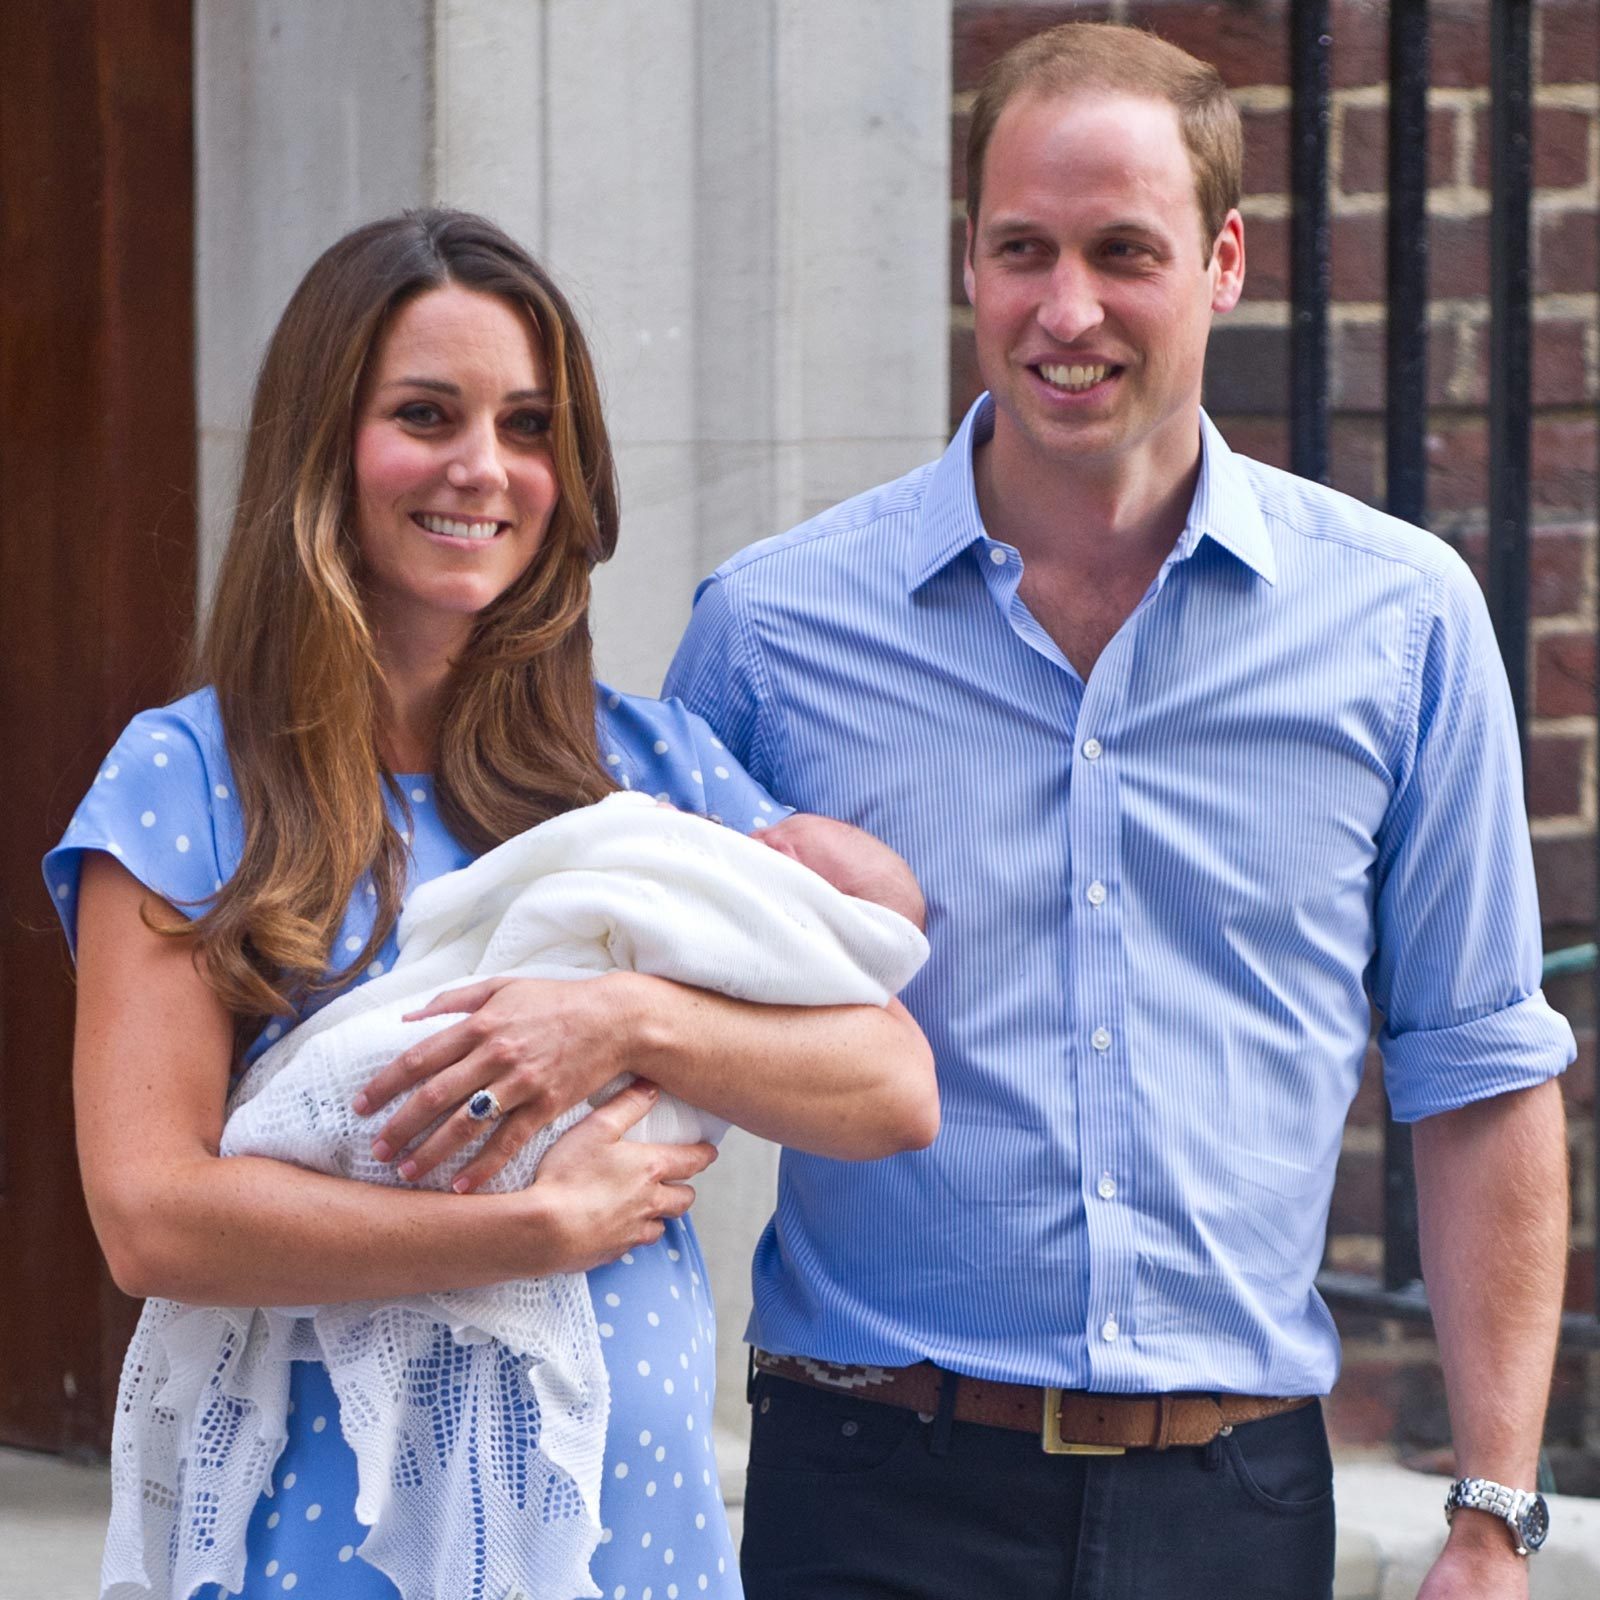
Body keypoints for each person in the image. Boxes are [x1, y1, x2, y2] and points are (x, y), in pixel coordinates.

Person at [665, 21, 1572, 1600]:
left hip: (1230, 1500)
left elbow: (1480, 1069)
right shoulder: (769, 632)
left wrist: (1493, 1517)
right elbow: (647, 1038)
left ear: (1224, 262)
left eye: (1122, 253)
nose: (1064, 311)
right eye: (1022, 249)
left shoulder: (1404, 623)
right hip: (871, 1486)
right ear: (968, 259)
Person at [45, 208, 936, 1600]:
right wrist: (524, 1234)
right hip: (325, 1550)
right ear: (322, 444)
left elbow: (888, 1083)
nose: (483, 468)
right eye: (425, 414)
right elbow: (152, 1219)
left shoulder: (636, 771)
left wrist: (623, 1017)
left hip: (630, 1545)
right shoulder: (191, 782)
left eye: (528, 425)